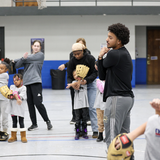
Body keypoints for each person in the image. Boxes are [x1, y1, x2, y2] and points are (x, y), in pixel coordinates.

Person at [98, 23, 134, 151]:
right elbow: (103, 75)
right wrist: (101, 59)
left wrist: (100, 56)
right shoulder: (124, 53)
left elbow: (101, 73)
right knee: (124, 136)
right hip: (127, 99)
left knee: (112, 137)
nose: (107, 39)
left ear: (119, 41)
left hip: (116, 98)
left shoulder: (114, 54)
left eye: (110, 37)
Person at [14, 40, 53, 131]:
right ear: (32, 47)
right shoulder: (27, 58)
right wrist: (22, 59)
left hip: (36, 82)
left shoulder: (40, 55)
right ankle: (34, 124)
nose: (36, 47)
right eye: (34, 46)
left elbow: (22, 60)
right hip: (27, 83)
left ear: (40, 48)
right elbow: (17, 66)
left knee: (38, 103)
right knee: (30, 104)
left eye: (38, 46)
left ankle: (47, 121)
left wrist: (18, 59)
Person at [67, 42, 98, 138]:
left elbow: (95, 73)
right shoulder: (72, 61)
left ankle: (95, 130)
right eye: (74, 54)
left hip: (90, 85)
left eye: (78, 54)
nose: (76, 56)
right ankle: (79, 130)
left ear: (83, 51)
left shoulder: (90, 58)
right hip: (77, 86)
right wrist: (72, 84)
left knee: (92, 107)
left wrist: (86, 80)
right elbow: (68, 76)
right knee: (78, 108)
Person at [58, 38, 91, 125]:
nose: (76, 54)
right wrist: (71, 81)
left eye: (81, 45)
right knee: (74, 99)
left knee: (85, 100)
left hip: (84, 80)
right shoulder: (72, 55)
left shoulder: (88, 54)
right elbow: (71, 63)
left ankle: (86, 117)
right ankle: (75, 117)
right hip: (74, 78)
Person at [67, 69, 89, 140]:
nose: (75, 76)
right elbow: (76, 86)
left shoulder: (84, 81)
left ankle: (85, 132)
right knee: (77, 119)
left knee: (84, 119)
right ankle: (77, 132)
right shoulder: (74, 82)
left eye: (77, 74)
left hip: (84, 104)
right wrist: (71, 84)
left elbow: (81, 83)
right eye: (74, 75)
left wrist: (71, 84)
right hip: (77, 104)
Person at [7, 74, 27, 143]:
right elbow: (12, 93)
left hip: (20, 108)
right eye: (14, 80)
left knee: (21, 122)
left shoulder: (24, 88)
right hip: (13, 108)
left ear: (21, 80)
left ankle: (23, 136)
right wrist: (10, 96)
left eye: (17, 80)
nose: (15, 82)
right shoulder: (12, 86)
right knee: (14, 122)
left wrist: (16, 97)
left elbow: (20, 96)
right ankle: (13, 136)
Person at [0, 58, 10, 133]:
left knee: (4, 115)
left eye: (2, 68)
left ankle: (5, 130)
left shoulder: (5, 75)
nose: (0, 70)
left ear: (6, 70)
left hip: (4, 99)